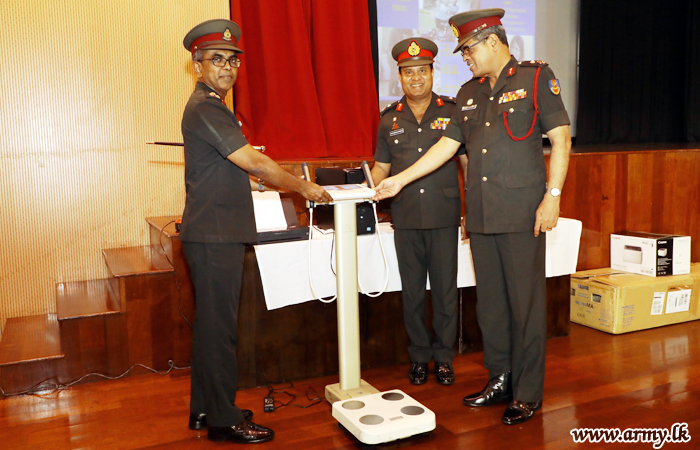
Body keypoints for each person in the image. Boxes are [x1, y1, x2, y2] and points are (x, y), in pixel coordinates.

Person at [373, 8, 571, 425]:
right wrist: (399, 181)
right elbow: (447, 147)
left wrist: (552, 197)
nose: (464, 58)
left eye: (468, 50)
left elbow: (560, 137)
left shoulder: (536, 78)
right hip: (481, 216)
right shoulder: (468, 93)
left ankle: (528, 392)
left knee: (526, 306)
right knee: (493, 309)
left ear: (493, 42)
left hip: (522, 215)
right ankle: (499, 379)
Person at [179, 19, 332, 444]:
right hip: (214, 236)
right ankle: (225, 421)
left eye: (233, 60)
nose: (227, 67)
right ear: (198, 65)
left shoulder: (212, 107)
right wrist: (304, 187)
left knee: (211, 329)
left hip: (214, 232)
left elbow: (226, 169)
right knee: (220, 331)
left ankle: (205, 410)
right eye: (216, 59)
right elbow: (253, 160)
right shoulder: (207, 106)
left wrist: (254, 179)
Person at [372, 37, 466, 386]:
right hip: (406, 216)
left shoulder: (452, 111)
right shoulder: (388, 120)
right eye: (408, 72)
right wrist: (370, 187)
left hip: (444, 215)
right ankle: (418, 357)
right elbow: (381, 167)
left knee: (444, 291)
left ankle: (443, 358)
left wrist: (470, 208)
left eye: (422, 71)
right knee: (412, 292)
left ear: (432, 73)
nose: (415, 78)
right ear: (399, 76)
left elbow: (466, 163)